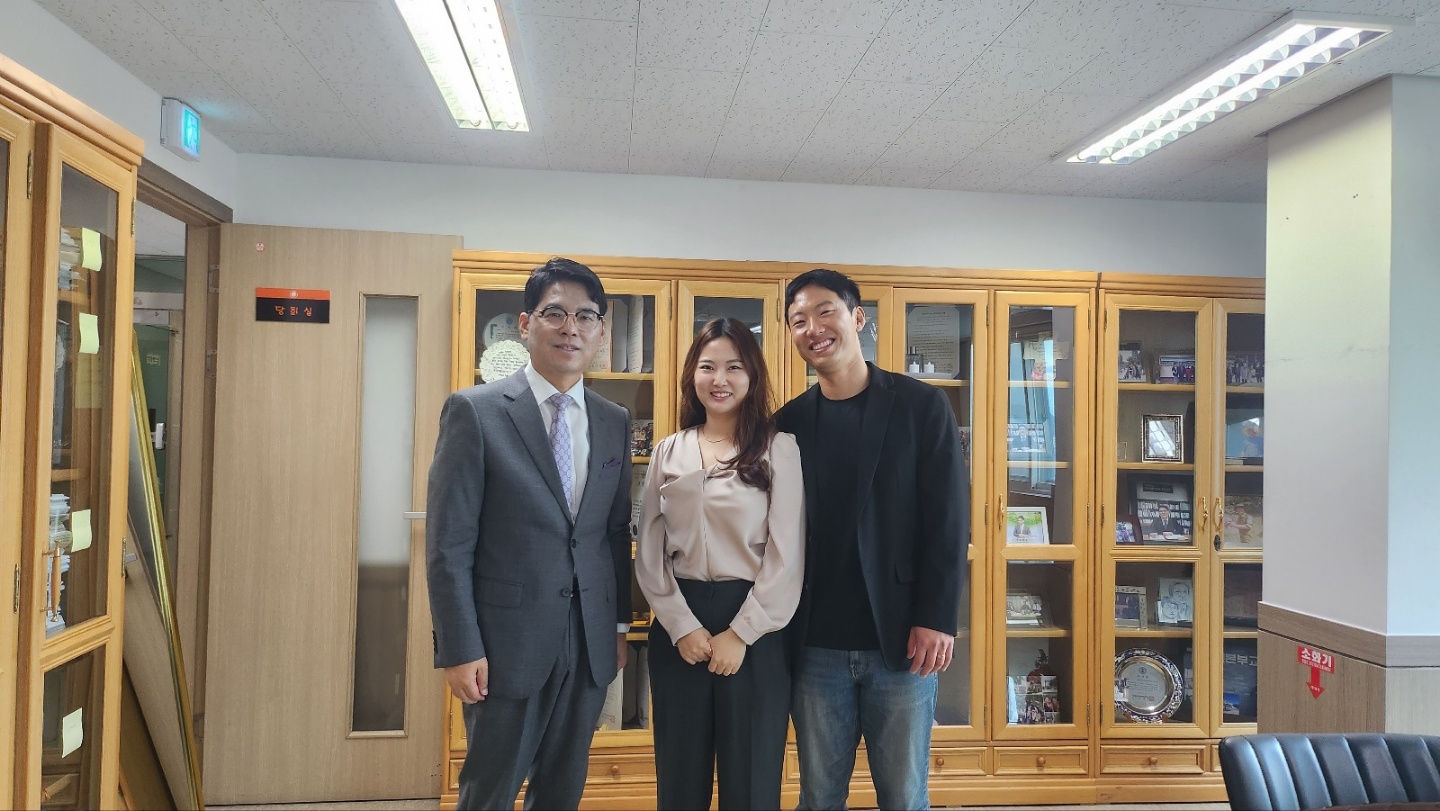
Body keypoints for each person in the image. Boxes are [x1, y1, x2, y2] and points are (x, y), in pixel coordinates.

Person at [426, 257, 633, 810]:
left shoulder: (613, 419)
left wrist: (617, 627)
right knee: (490, 791)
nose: (571, 328)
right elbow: (449, 544)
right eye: (555, 313)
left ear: (600, 331)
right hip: (504, 643)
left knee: (562, 790)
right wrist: (459, 646)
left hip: (588, 641)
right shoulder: (475, 412)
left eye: (586, 316)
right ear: (525, 324)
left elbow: (613, 534)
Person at [777, 268, 968, 811]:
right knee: (818, 796)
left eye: (825, 312)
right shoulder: (786, 424)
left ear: (858, 318)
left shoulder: (920, 406)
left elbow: (948, 519)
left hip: (903, 641)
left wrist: (937, 616)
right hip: (815, 646)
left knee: (904, 796)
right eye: (798, 320)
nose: (813, 328)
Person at [635, 317, 804, 810]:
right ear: (693, 375)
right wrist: (681, 626)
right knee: (679, 779)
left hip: (755, 623)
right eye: (708, 367)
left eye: (734, 367)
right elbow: (650, 550)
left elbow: (787, 554)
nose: (720, 379)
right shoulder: (669, 450)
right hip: (680, 623)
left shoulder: (778, 448)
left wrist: (742, 633)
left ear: (752, 376)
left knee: (751, 782)